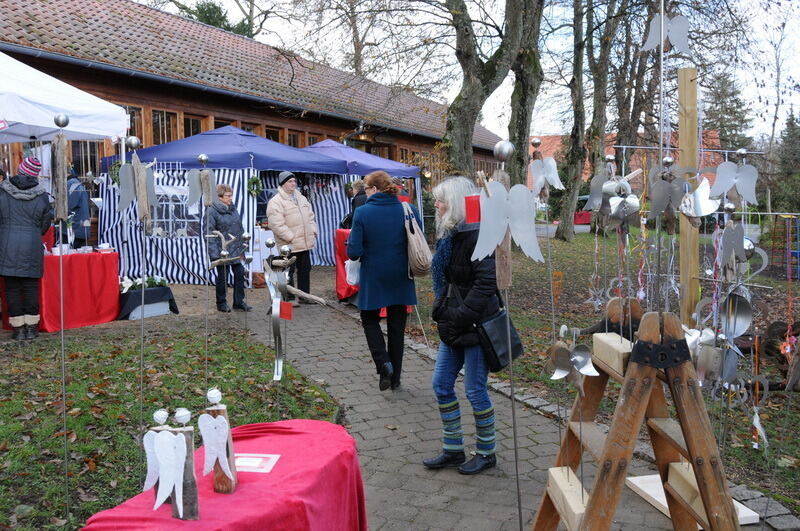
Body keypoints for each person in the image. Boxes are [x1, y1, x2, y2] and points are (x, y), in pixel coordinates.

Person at [423, 176, 499, 475]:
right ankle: (453, 449)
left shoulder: (479, 235)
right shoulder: (451, 236)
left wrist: (462, 313)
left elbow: (487, 282)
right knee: (441, 385)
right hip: (454, 323)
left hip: (477, 325)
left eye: (441, 200)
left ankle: (486, 452)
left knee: (475, 391)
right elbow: (448, 281)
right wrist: (444, 309)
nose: (437, 205)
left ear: (454, 203)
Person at [347, 170, 420, 391]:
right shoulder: (409, 209)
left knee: (369, 320)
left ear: (375, 189)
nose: (365, 192)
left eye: (366, 188)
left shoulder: (363, 212)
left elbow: (354, 252)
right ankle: (394, 378)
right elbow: (418, 240)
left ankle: (384, 363)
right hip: (401, 275)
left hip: (374, 275)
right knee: (397, 327)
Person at [0, 157, 53, 340]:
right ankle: (31, 328)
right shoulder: (42, 196)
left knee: (12, 288)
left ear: (19, 169)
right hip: (31, 245)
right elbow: (45, 224)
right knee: (31, 287)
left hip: (6, 245)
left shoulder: (3, 191)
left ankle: (18, 329)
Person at [267, 171, 317, 305]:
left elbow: (310, 216)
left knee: (305, 270)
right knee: (287, 271)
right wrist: (291, 237)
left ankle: (305, 296)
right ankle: (289, 298)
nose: (293, 183)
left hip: (304, 242)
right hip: (288, 244)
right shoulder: (276, 201)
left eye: (294, 181)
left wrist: (312, 230)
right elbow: (276, 224)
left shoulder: (301, 198)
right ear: (282, 184)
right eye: (290, 181)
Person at [207, 184, 251, 313]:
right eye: (228, 195)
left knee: (239, 273)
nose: (231, 198)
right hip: (223, 250)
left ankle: (238, 302)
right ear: (219, 197)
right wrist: (214, 255)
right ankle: (221, 303)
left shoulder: (233, 209)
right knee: (223, 277)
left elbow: (239, 228)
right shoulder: (211, 211)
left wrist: (243, 247)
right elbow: (209, 234)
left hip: (236, 249)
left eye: (231, 195)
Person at [61, 168, 91, 248]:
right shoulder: (77, 184)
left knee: (69, 257)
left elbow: (68, 207)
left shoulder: (70, 184)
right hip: (80, 228)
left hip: (73, 229)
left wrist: (51, 213)